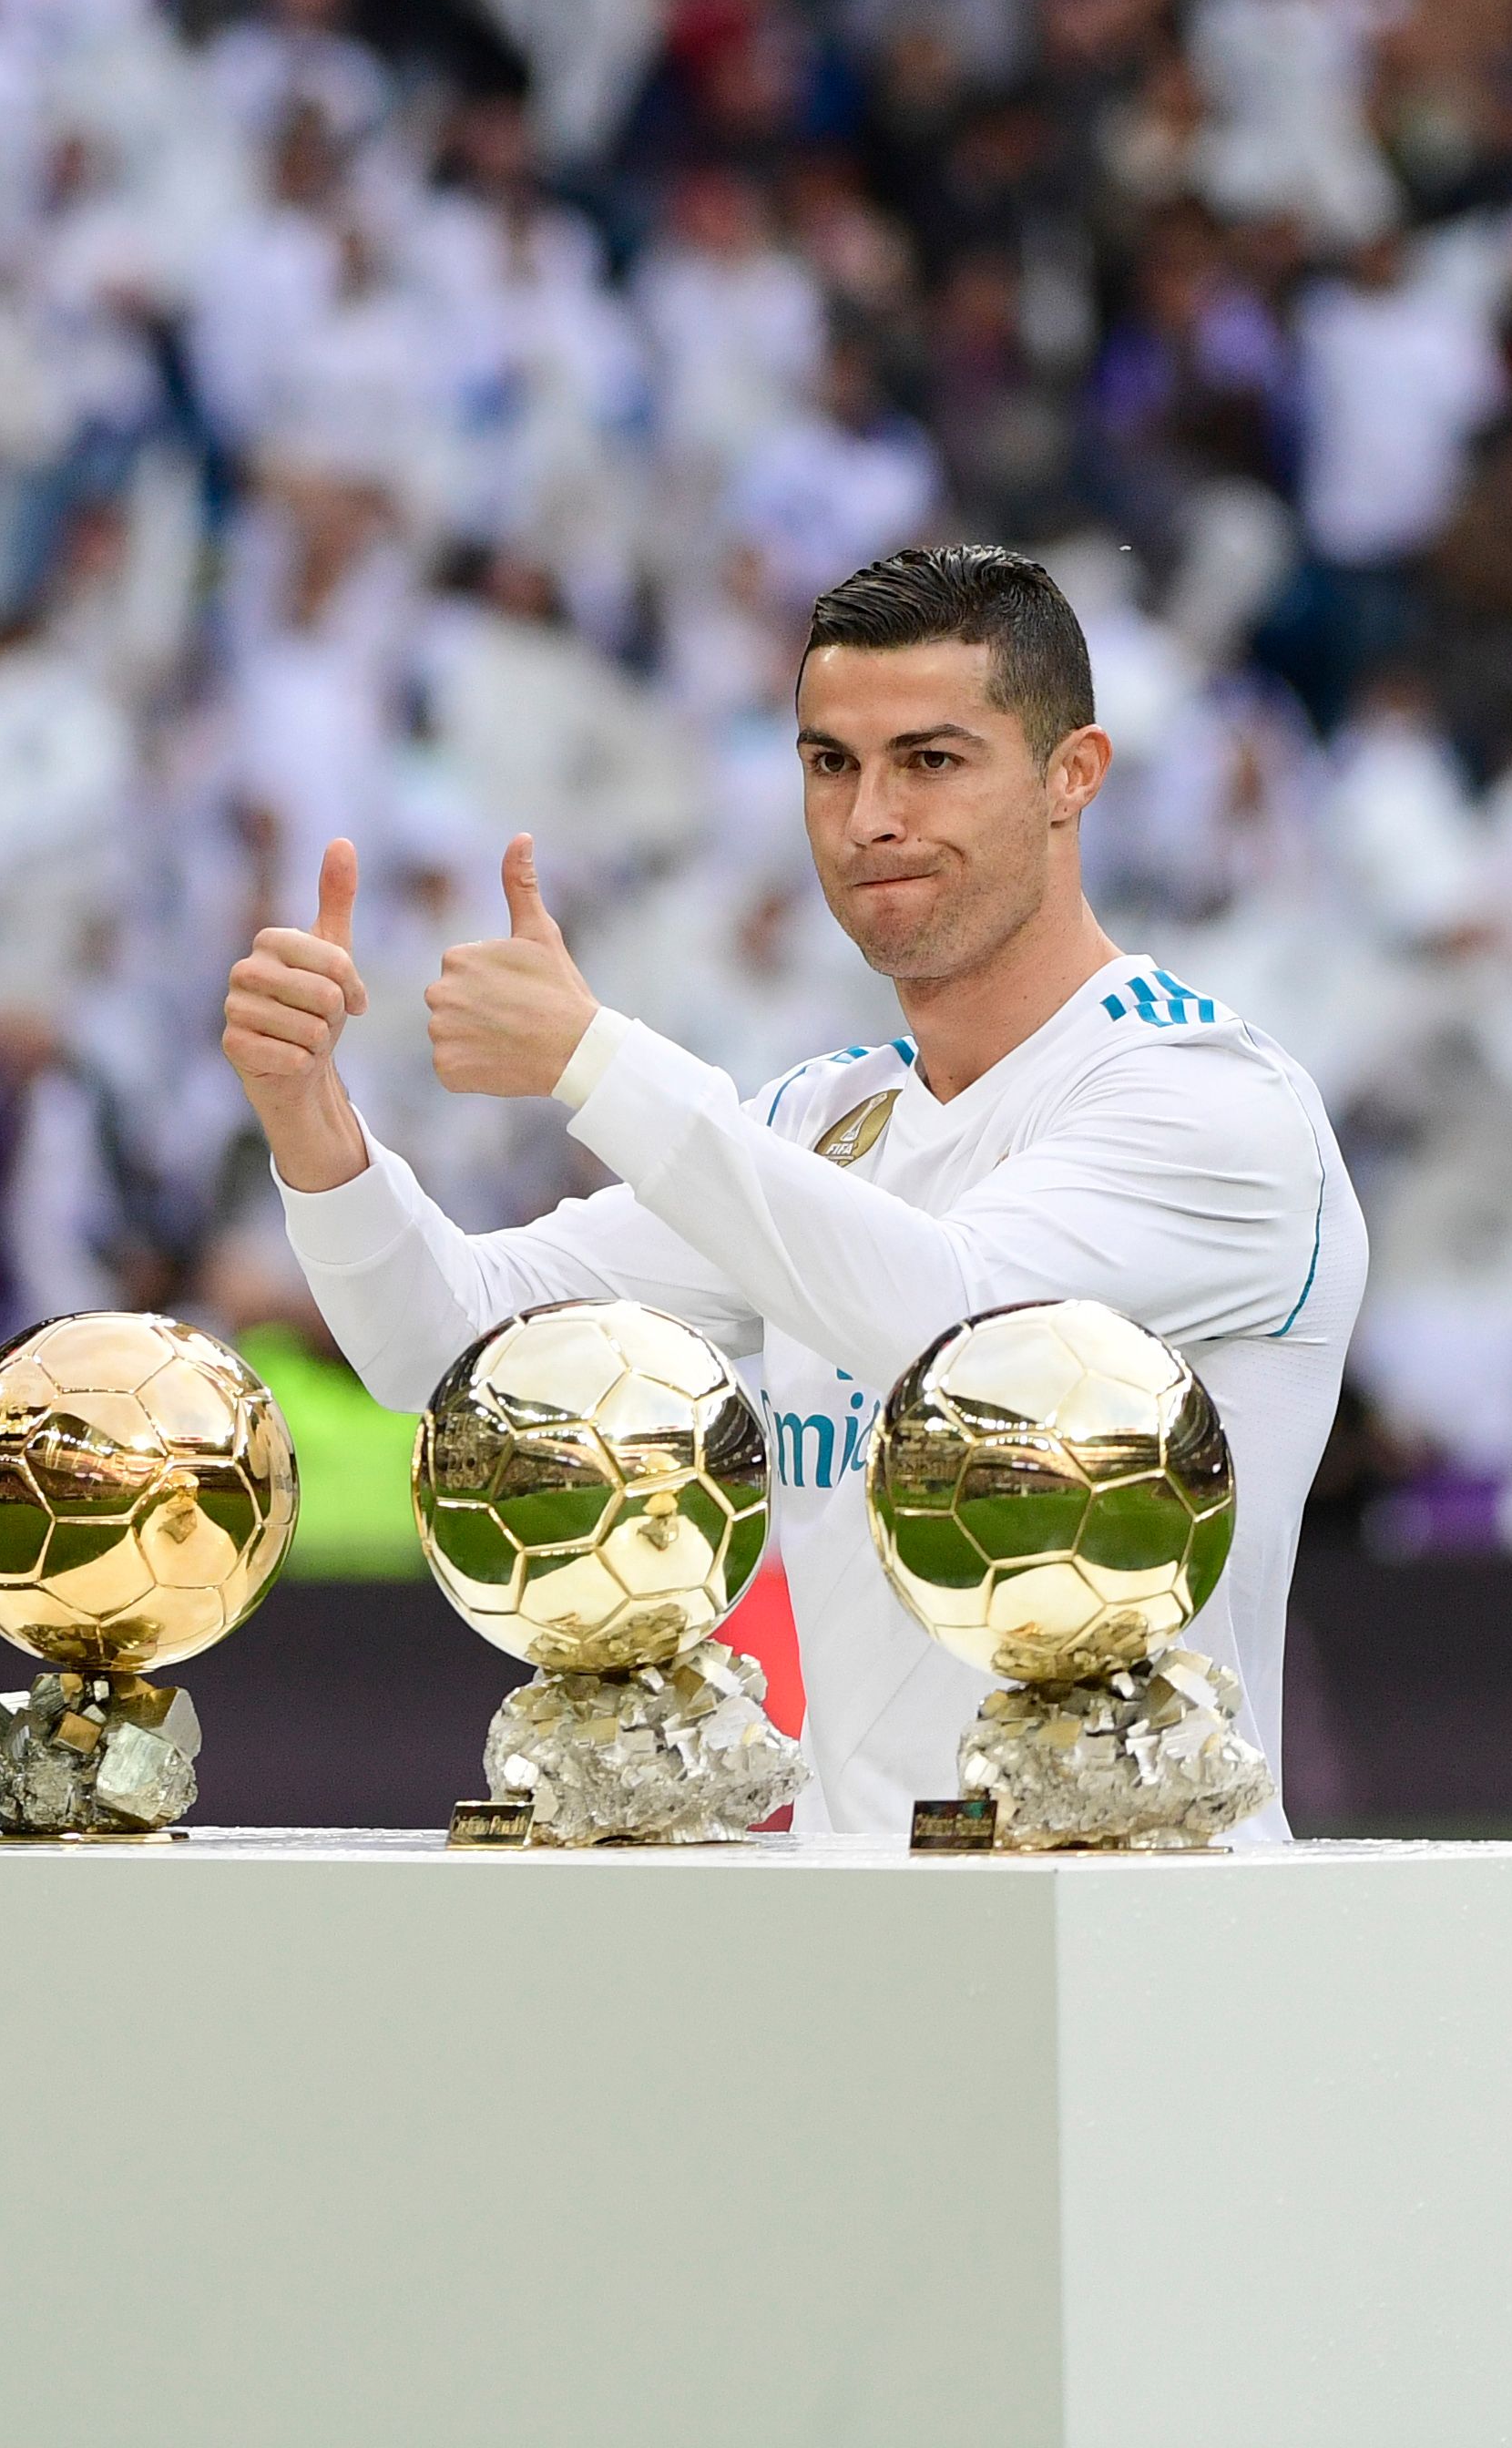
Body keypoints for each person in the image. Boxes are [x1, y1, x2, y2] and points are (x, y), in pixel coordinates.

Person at [221, 545, 1368, 1839]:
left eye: (931, 761)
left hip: (1138, 1953)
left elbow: (971, 1340)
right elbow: (446, 1344)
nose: (871, 815)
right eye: (833, 763)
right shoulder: (821, 1127)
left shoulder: (1209, 1100)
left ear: (1073, 777)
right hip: (860, 1945)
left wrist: (599, 1063)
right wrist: (310, 1119)